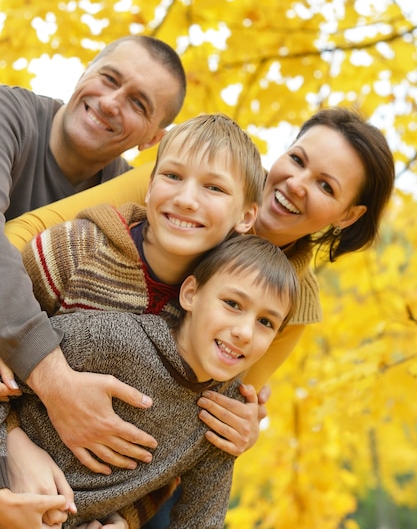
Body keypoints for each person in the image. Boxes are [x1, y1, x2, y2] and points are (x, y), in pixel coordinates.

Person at [2, 107, 395, 526]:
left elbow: (192, 425)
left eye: (325, 186)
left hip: (118, 476)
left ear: (348, 215)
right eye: (297, 159)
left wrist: (125, 518)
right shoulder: (189, 182)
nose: (295, 184)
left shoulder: (293, 306)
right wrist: (23, 349)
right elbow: (21, 240)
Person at [1, 112, 265, 528]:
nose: (187, 199)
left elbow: (170, 450)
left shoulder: (217, 323)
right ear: (150, 182)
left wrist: (123, 518)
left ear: (247, 217)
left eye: (213, 187)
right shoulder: (77, 249)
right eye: (173, 176)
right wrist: (11, 446)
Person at [0, 234, 299, 529]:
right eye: (233, 303)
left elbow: (202, 519)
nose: (245, 332)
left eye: (266, 323)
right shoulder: (108, 339)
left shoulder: (223, 417)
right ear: (191, 294)